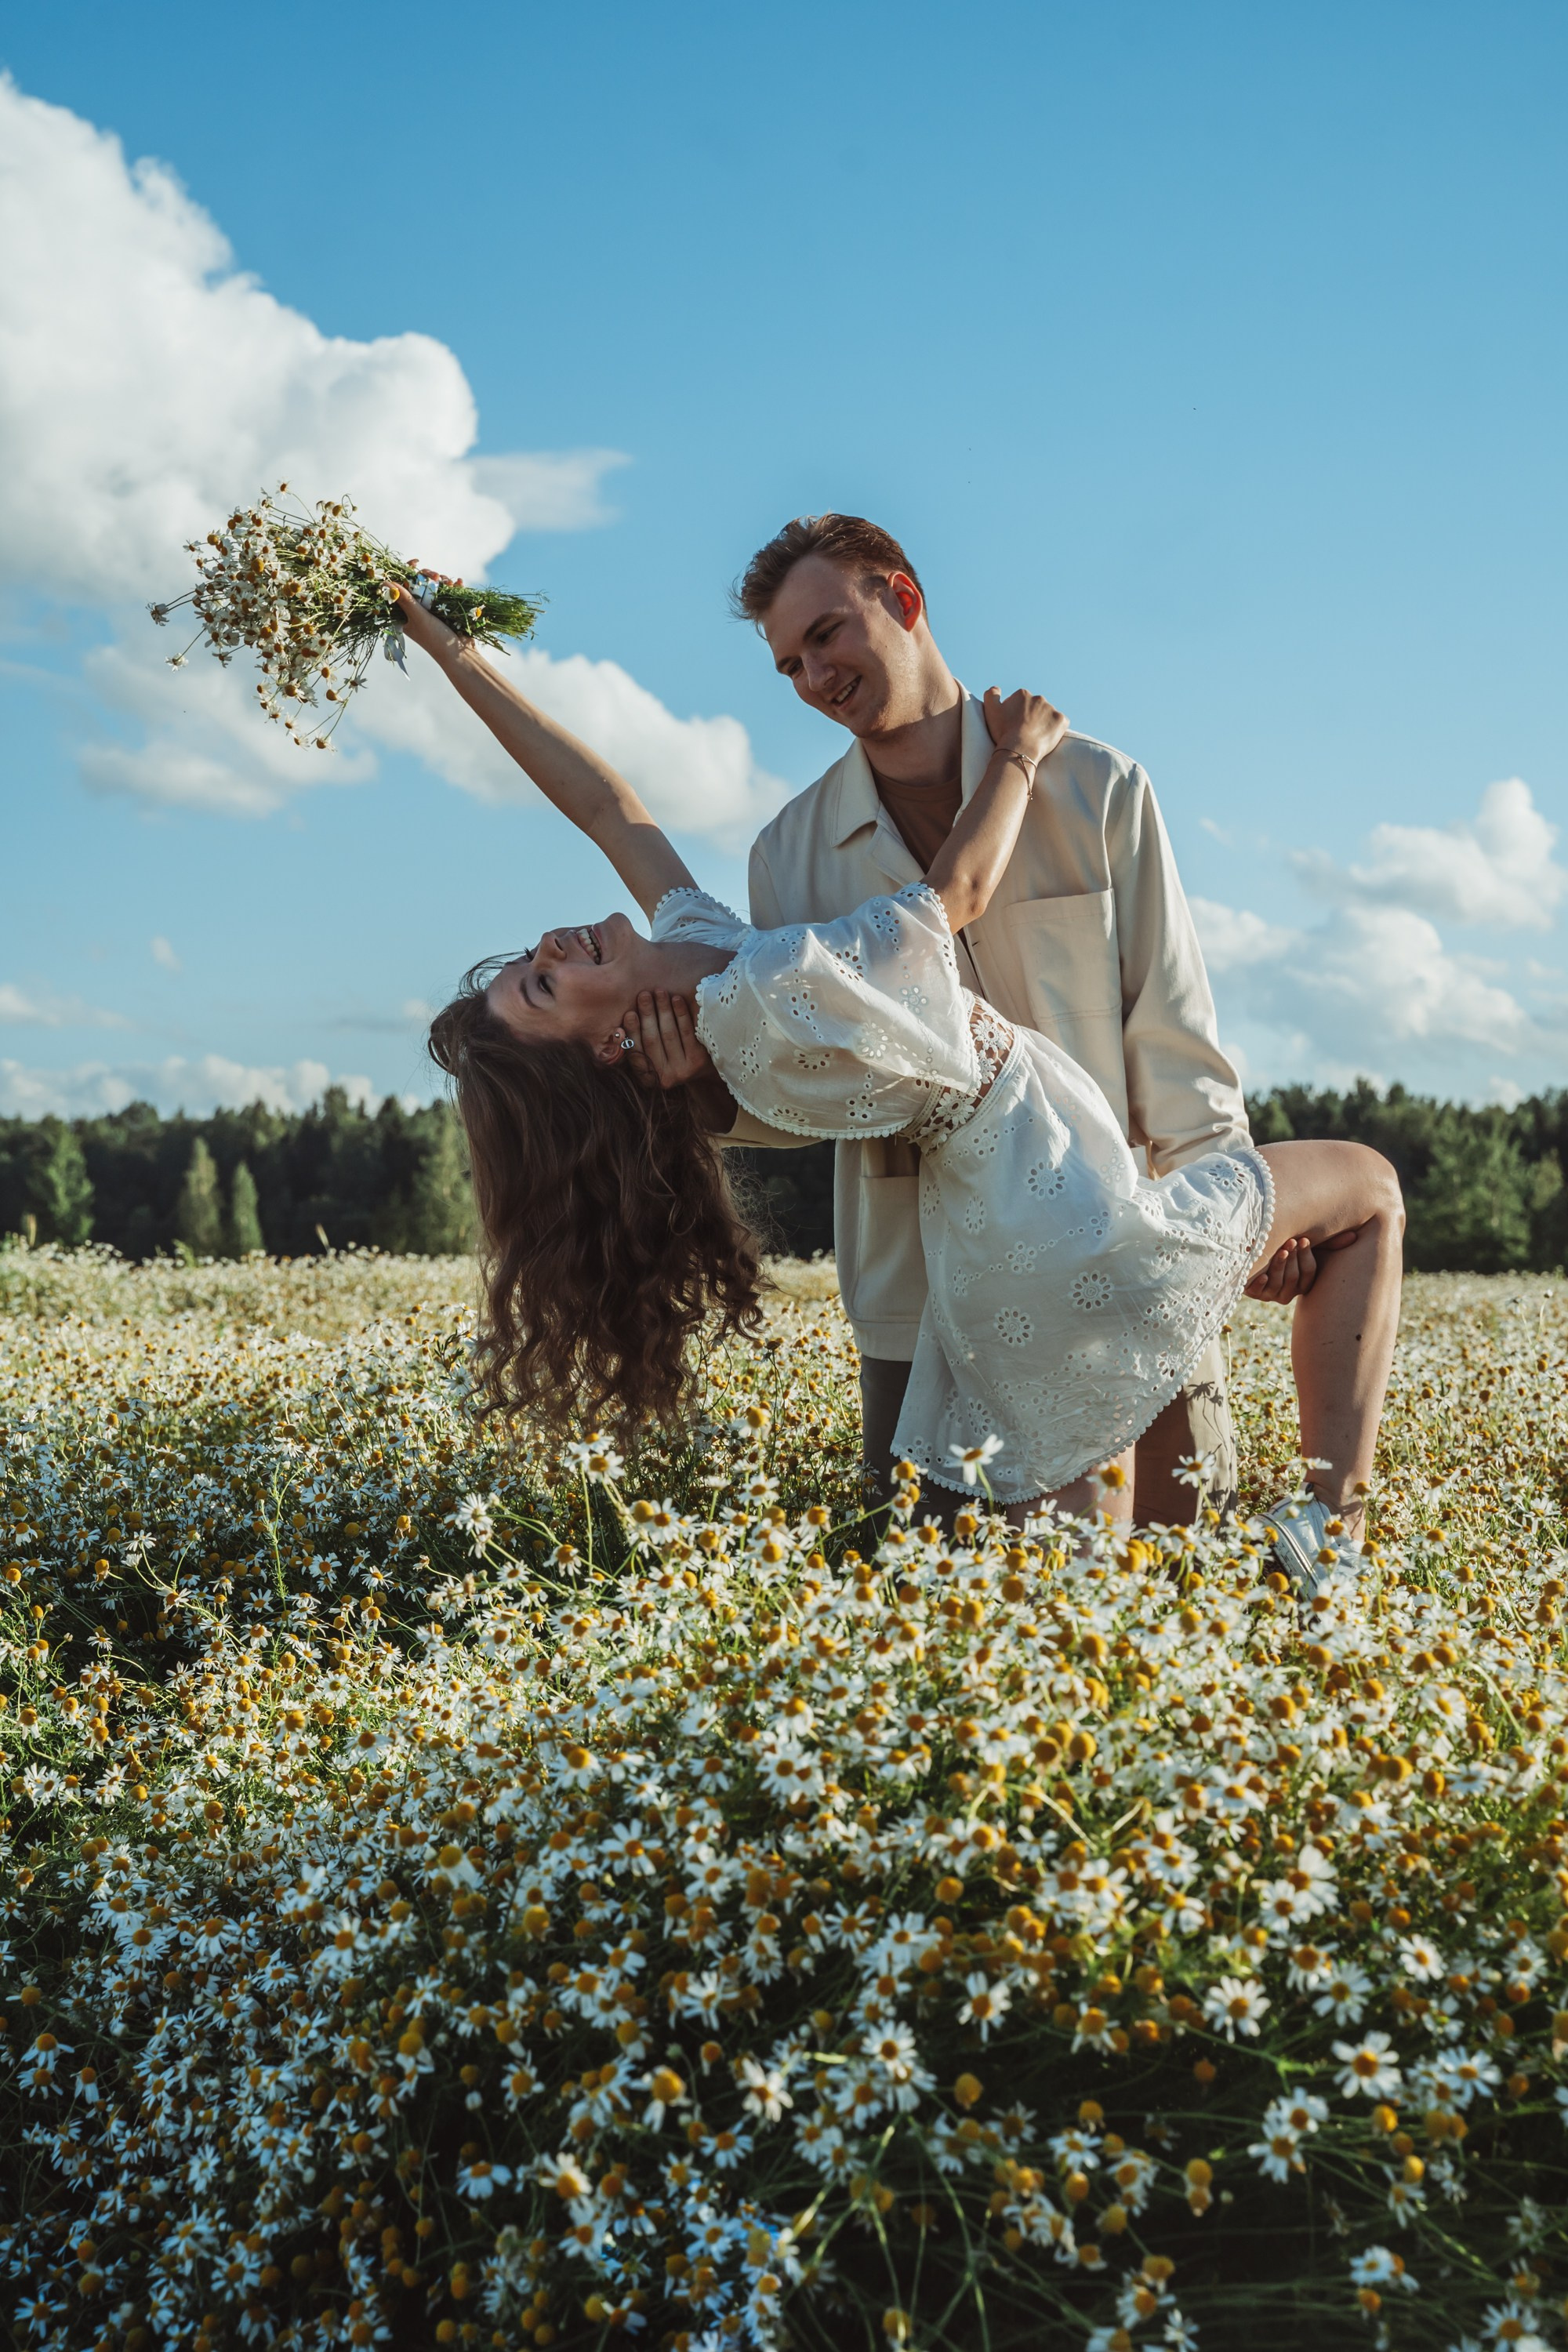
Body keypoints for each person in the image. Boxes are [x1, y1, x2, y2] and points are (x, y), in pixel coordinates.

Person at [401, 586, 1404, 1581]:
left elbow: (603, 806)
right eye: (543, 987)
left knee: (1082, 1603)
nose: (549, 946)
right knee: (1367, 1192)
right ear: (602, 1049)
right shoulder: (764, 994)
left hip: (1015, 1241)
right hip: (1069, 1217)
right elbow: (955, 894)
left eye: (526, 961)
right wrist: (1019, 754)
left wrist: (452, 654)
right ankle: (1331, 1533)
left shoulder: (712, 956)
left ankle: (1316, 1549)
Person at [724, 514, 1324, 1523]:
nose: (814, 678)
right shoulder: (786, 857)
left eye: (826, 635)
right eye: (789, 664)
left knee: (1175, 1578)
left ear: (902, 599)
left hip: (1126, 1263)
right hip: (915, 1302)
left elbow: (1170, 1032)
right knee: (927, 1595)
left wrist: (1235, 1220)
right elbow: (806, 1086)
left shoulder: (1096, 787)